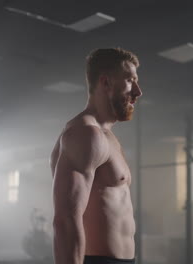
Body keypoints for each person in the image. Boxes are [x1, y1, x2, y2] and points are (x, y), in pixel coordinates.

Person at [50, 47, 142, 264]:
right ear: (106, 82)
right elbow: (65, 220)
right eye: (130, 80)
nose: (138, 91)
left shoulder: (107, 136)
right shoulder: (85, 134)